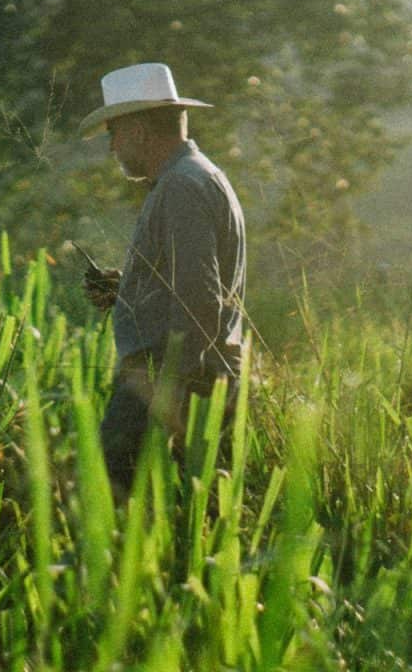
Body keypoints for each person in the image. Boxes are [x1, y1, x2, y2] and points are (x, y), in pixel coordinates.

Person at [77, 62, 247, 498]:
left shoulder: (181, 186)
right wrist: (126, 290)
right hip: (191, 377)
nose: (112, 147)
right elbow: (191, 285)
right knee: (171, 512)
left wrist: (166, 391)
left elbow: (199, 300)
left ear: (137, 131)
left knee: (110, 503)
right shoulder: (195, 177)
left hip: (172, 379)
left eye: (114, 134)